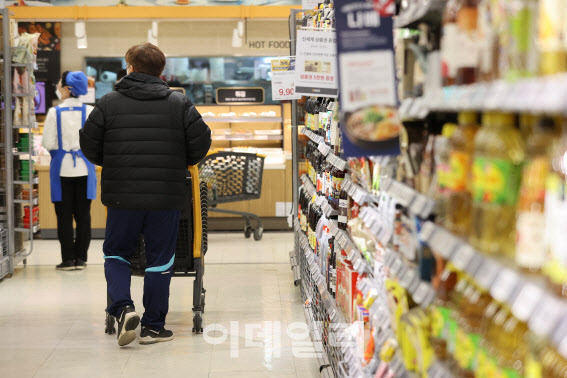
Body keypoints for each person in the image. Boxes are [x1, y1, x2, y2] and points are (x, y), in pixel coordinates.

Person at [80, 43, 211, 347]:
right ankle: (153, 326)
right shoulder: (179, 103)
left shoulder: (107, 103)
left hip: (121, 196)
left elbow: (89, 145)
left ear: (130, 67)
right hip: (165, 196)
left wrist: (113, 162)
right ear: (161, 71)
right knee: (160, 259)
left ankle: (123, 307)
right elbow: (200, 145)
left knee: (116, 253)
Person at [42, 71, 96, 271]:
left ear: (67, 88)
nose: (57, 86)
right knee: (84, 215)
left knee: (63, 216)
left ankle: (67, 260)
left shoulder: (54, 113)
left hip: (61, 170)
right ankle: (81, 259)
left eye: (59, 83)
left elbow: (48, 142)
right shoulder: (90, 111)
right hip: (85, 169)